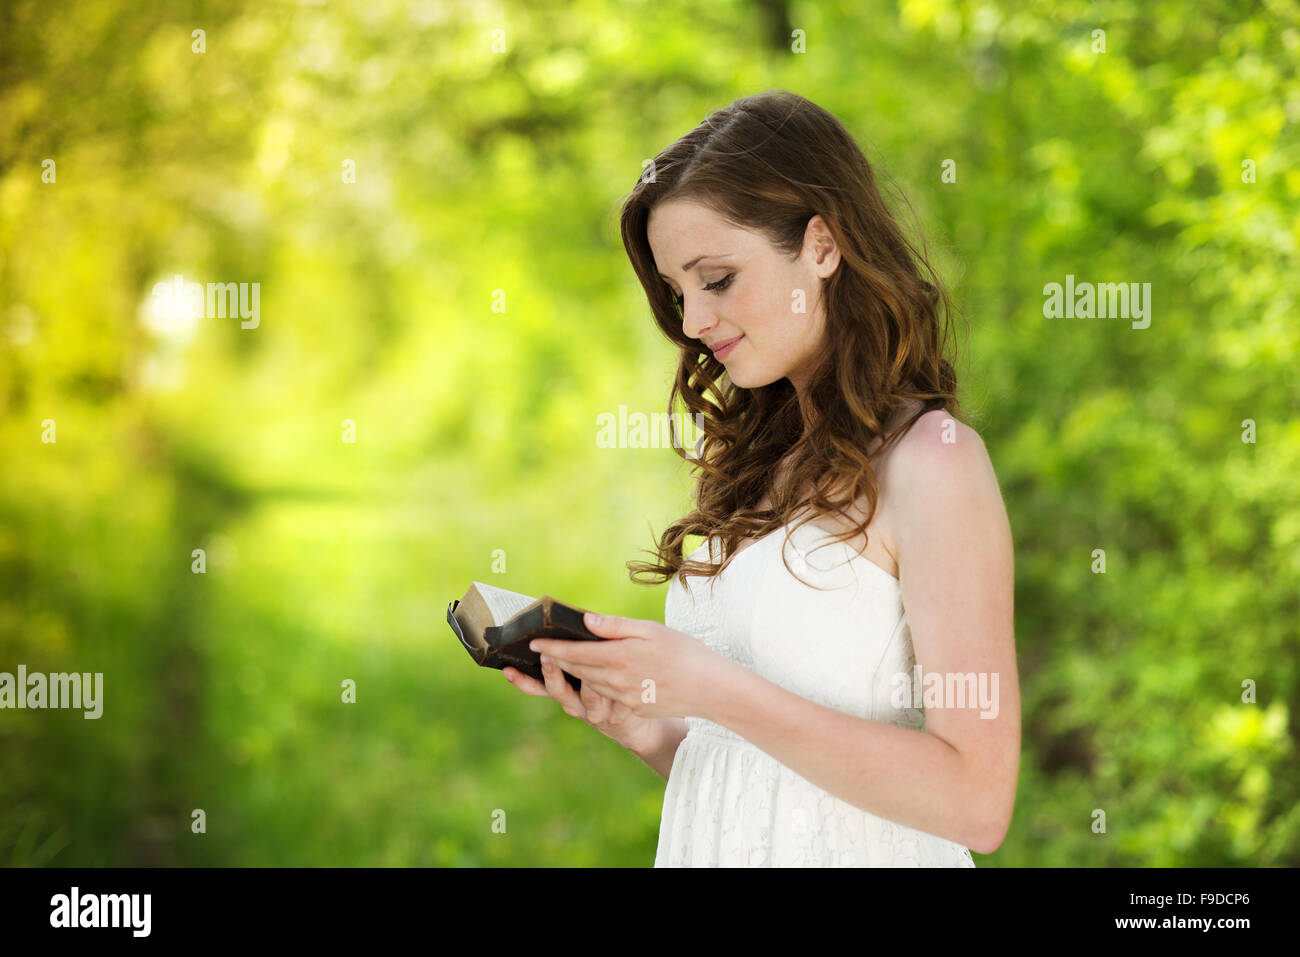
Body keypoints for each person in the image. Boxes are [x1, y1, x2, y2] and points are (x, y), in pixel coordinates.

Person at [504, 90, 1019, 867]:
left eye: (716, 279)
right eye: (679, 292)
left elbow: (977, 802)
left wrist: (710, 688)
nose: (691, 324)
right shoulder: (759, 463)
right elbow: (766, 781)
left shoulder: (934, 460)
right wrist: (650, 728)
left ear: (821, 246)